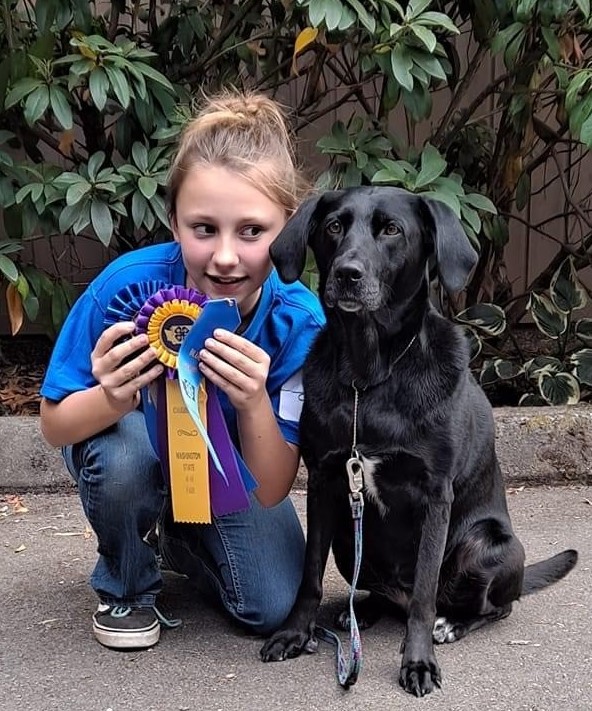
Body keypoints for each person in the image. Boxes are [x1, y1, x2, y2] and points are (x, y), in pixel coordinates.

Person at [39, 89, 325, 650]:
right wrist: (113, 398)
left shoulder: (300, 324)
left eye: (251, 231)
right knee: (122, 453)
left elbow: (270, 488)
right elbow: (54, 425)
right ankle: (125, 586)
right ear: (173, 222)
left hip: (227, 475)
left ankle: (178, 535)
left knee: (272, 605)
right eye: (203, 229)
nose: (224, 256)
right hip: (130, 449)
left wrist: (252, 402)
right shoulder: (126, 288)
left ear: (288, 230)